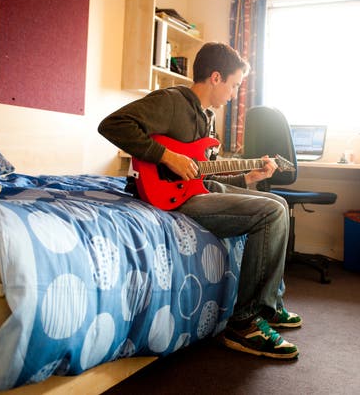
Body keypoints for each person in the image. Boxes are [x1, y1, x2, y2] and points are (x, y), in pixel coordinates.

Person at [98, 42, 301, 360]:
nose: (234, 94)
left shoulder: (207, 120)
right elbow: (112, 124)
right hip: (169, 196)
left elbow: (202, 176)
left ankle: (271, 304)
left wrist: (250, 178)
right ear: (216, 77)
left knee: (274, 201)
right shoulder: (172, 101)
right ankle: (244, 323)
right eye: (234, 85)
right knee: (272, 212)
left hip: (193, 190)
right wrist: (166, 156)